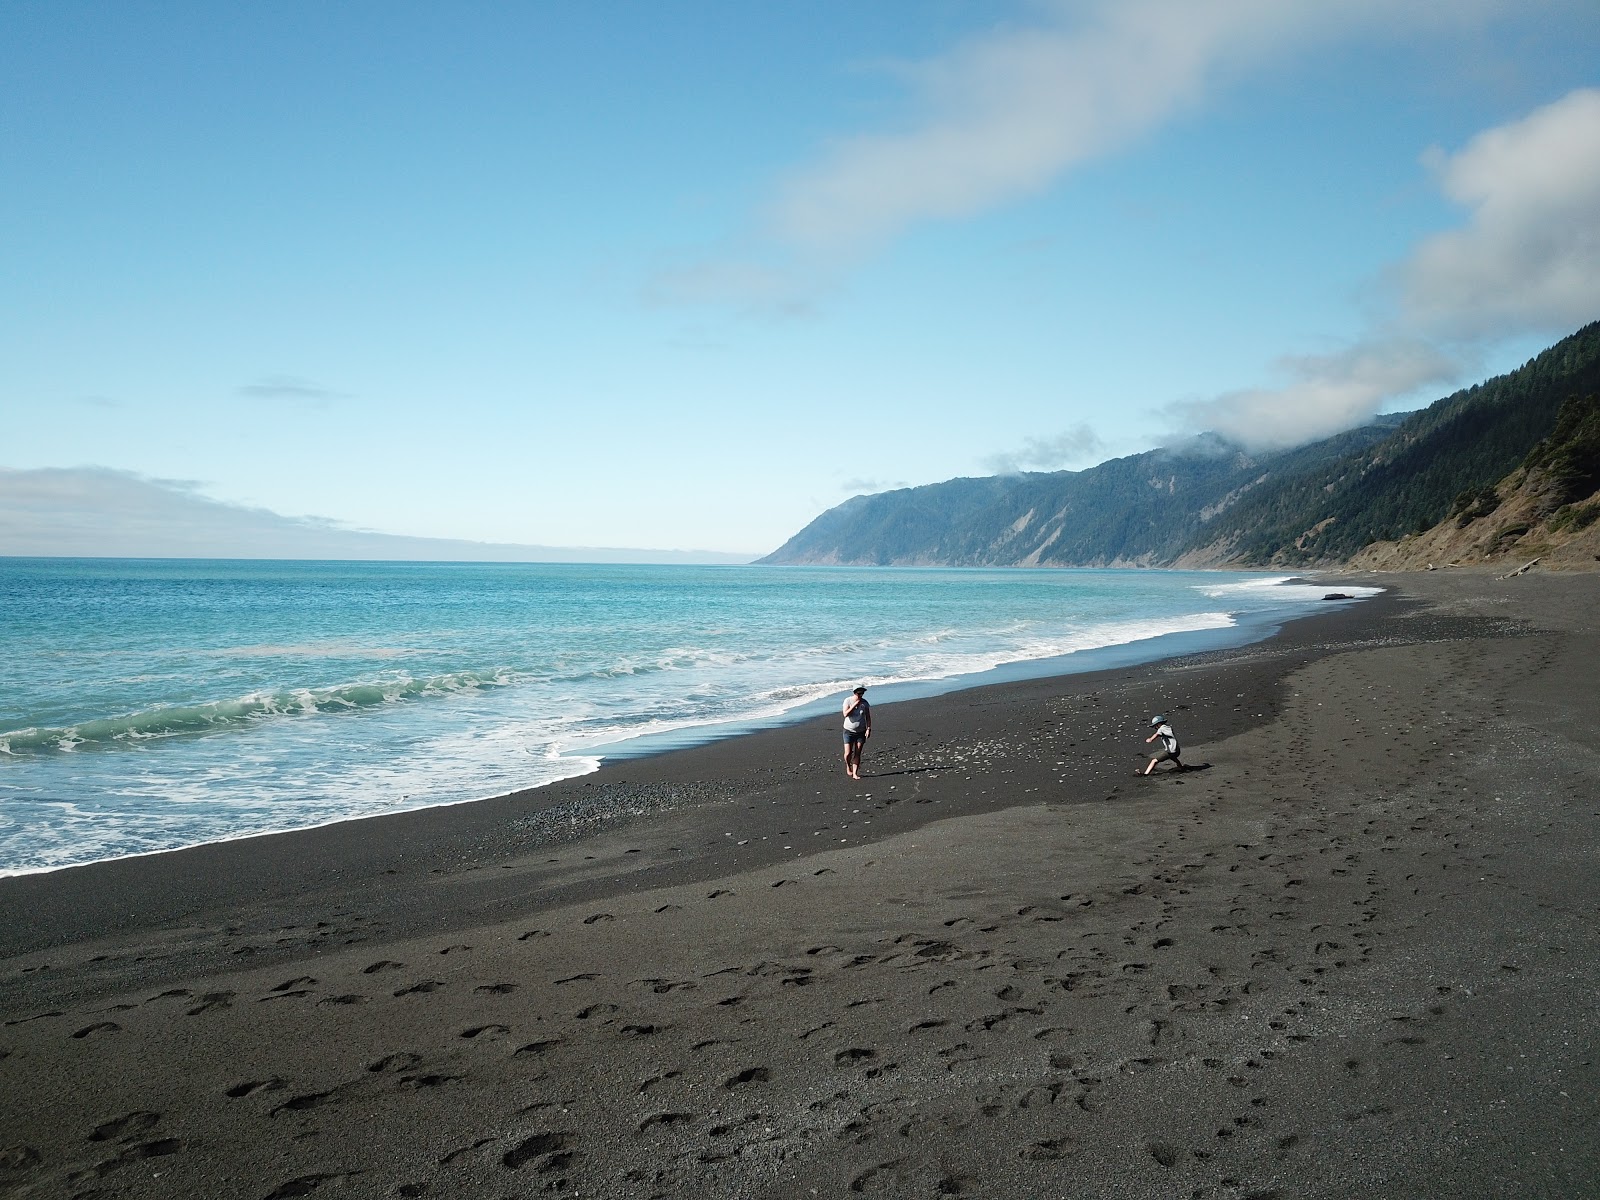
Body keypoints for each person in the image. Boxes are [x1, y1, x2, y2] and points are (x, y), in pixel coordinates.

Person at [842, 685, 872, 779]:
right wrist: (855, 705)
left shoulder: (865, 703)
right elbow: (845, 714)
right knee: (848, 753)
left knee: (857, 752)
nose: (861, 695)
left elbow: (868, 716)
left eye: (862, 693)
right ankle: (848, 765)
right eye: (859, 693)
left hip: (861, 731)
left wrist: (868, 728)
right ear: (854, 692)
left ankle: (855, 773)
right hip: (848, 730)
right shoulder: (848, 700)